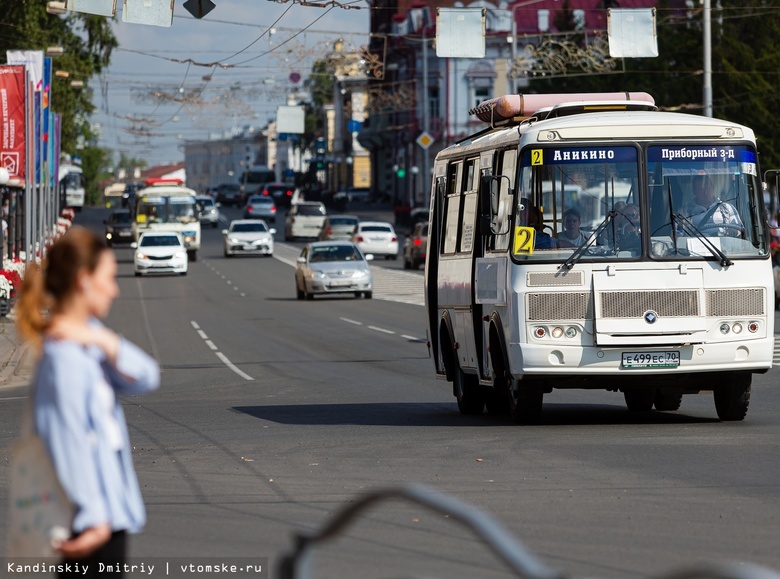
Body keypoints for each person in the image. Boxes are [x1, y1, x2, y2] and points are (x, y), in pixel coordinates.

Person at [15, 226, 160, 578]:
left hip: (104, 520)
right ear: (84, 280)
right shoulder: (64, 358)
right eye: (109, 277)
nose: (115, 288)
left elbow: (147, 376)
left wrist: (101, 339)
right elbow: (67, 440)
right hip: (88, 526)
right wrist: (93, 516)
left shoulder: (87, 345)